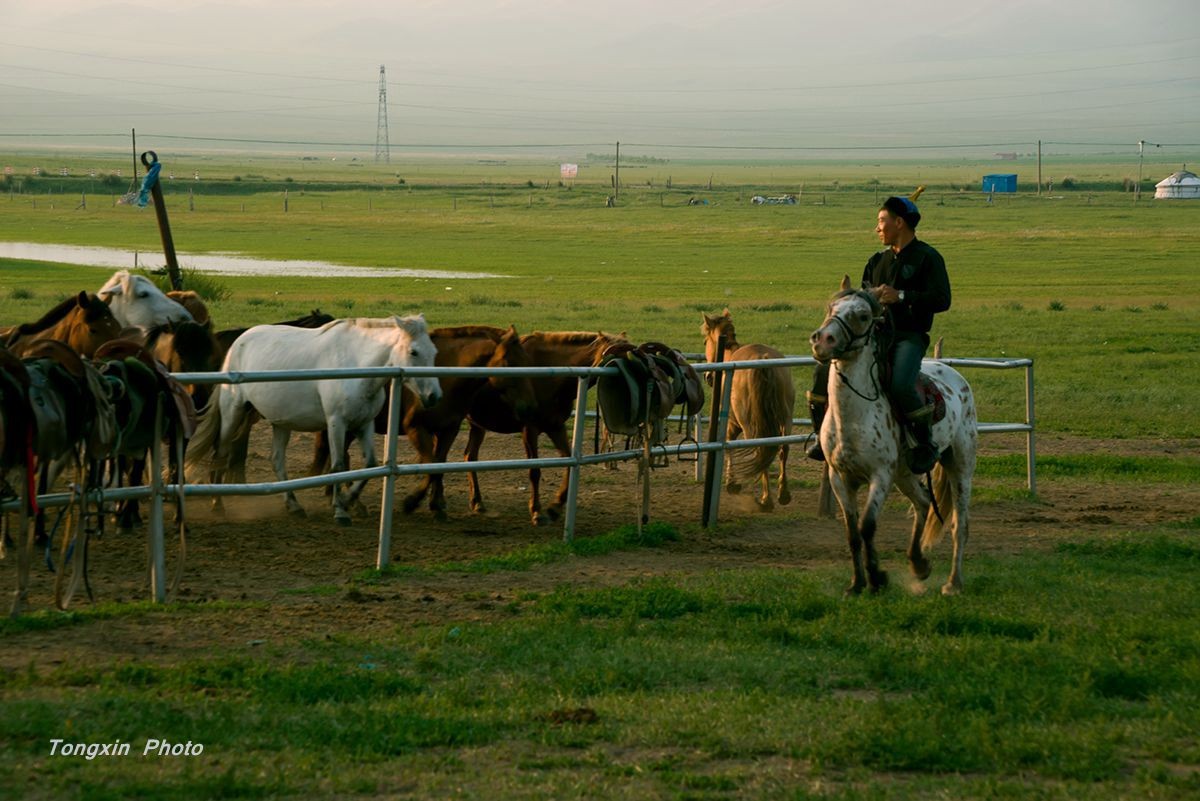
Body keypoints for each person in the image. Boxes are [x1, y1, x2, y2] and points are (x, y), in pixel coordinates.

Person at [807, 194, 951, 474]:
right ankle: (820, 438)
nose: (877, 228)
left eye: (881, 221)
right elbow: (864, 302)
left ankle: (924, 444)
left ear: (899, 223)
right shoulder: (876, 261)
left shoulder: (928, 258)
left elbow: (942, 299)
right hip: (873, 336)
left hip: (909, 336)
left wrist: (902, 296)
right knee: (823, 372)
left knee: (901, 384)